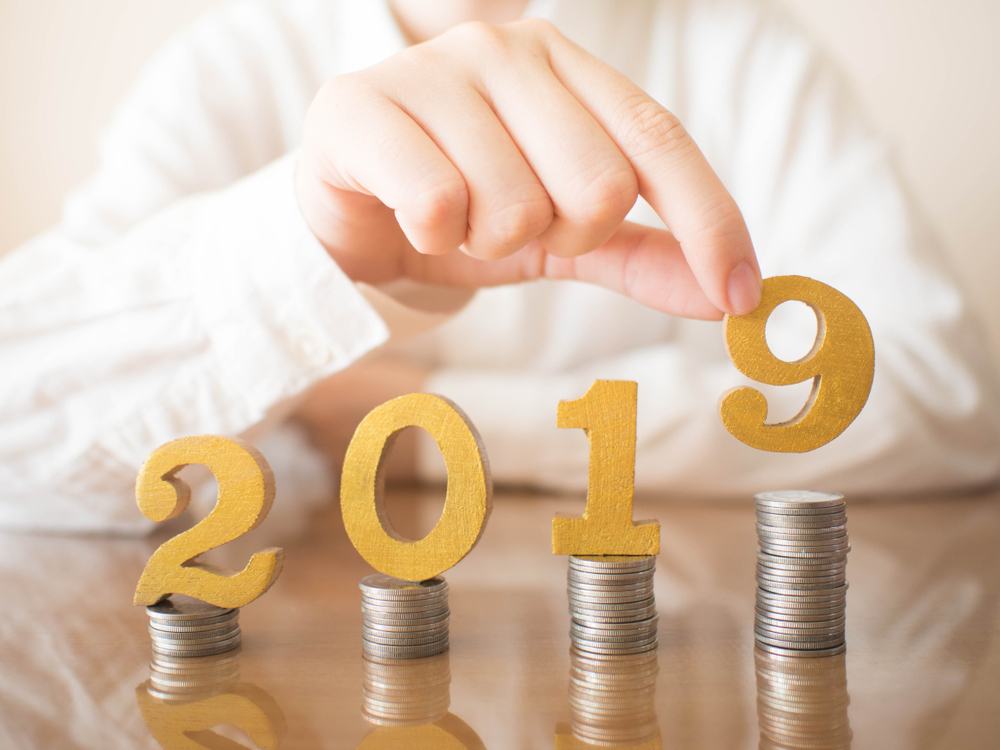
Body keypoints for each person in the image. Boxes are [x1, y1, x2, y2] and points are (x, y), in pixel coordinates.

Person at [0, 0, 997, 535]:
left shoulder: (747, 51)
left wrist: (421, 419)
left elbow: (942, 403)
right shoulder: (223, 67)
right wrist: (306, 245)